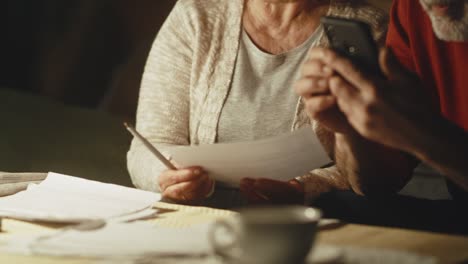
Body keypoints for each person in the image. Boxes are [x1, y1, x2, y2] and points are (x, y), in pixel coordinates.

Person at [127, 0, 387, 208]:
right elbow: (147, 148)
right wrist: (167, 177)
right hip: (194, 223)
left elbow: (372, 175)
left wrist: (303, 189)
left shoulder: (367, 29)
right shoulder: (196, 14)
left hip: (306, 226)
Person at [245, 0, 468, 205]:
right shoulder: (414, 8)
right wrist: (350, 129)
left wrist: (423, 137)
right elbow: (381, 182)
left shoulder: (376, 22)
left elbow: (419, 133)